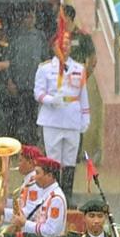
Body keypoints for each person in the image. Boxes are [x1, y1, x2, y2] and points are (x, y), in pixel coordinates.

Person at [34, 40, 91, 169]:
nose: (64, 47)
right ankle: (54, 188)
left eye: (67, 44)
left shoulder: (79, 68)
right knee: (53, 161)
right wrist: (51, 100)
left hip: (72, 118)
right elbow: (38, 93)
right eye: (60, 44)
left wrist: (86, 118)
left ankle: (67, 189)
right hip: (52, 118)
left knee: (70, 161)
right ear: (54, 47)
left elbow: (83, 96)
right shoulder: (45, 68)